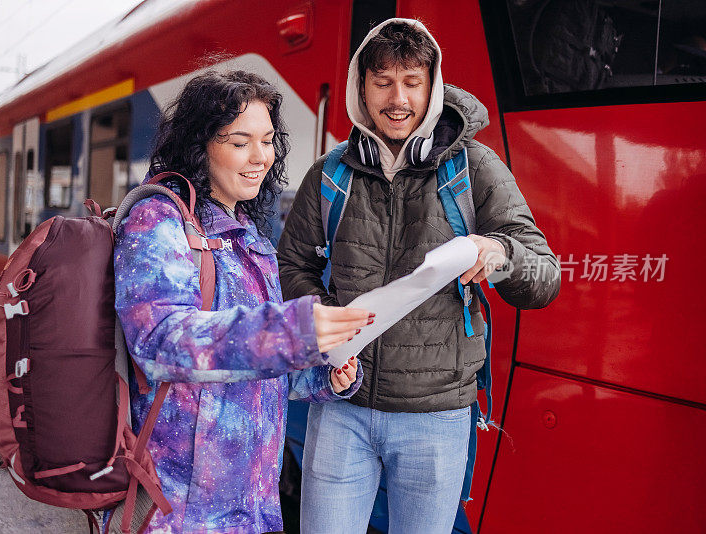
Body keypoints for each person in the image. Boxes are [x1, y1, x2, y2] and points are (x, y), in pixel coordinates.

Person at [277, 19, 561, 533]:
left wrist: (498, 251)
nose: (397, 99)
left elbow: (545, 275)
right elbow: (292, 264)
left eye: (412, 81)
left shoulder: (472, 167)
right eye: (382, 82)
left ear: (433, 87)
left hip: (437, 418)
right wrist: (326, 327)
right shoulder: (331, 172)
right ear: (360, 88)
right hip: (341, 407)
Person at [113, 70, 371, 533]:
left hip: (252, 506)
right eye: (240, 142)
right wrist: (292, 331)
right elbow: (159, 341)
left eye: (268, 140)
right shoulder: (158, 219)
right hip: (182, 510)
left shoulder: (249, 237)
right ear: (200, 145)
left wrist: (324, 371)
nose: (261, 158)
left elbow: (259, 373)